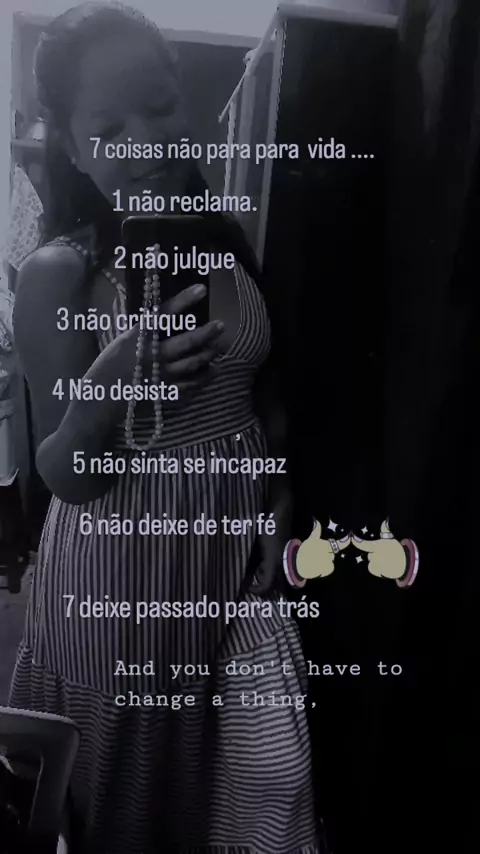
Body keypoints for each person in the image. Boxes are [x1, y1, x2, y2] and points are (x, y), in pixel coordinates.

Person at [8, 4, 324, 853]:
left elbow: (260, 394)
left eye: (159, 108)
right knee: (125, 795)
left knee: (231, 780)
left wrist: (278, 494)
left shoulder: (226, 243)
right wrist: (108, 385)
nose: (145, 141)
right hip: (120, 577)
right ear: (73, 147)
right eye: (109, 127)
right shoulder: (60, 274)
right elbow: (64, 473)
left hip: (227, 563)